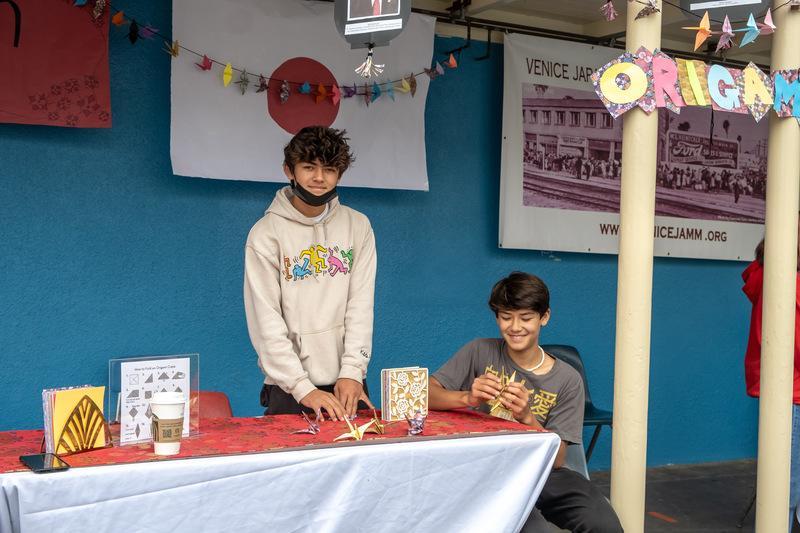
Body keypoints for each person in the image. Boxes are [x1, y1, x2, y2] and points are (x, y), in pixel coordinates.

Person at [429, 272, 623, 533]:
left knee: (604, 525)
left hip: (541, 470)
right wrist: (467, 397)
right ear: (497, 317)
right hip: (486, 467)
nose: (515, 327)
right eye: (506, 317)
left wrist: (527, 418)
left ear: (544, 317)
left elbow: (557, 459)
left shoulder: (567, 379)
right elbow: (424, 394)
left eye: (526, 317)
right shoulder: (480, 350)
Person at [244, 126, 377, 422]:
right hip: (290, 388)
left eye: (329, 169)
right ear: (289, 170)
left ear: (339, 175)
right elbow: (266, 321)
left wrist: (353, 371)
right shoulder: (265, 234)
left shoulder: (358, 226)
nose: (319, 177)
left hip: (348, 383)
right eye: (308, 167)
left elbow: (361, 305)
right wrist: (302, 387)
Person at [742, 225, 800, 531]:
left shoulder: (767, 276)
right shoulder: (789, 284)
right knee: (788, 485)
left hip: (783, 388)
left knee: (785, 480)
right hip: (794, 391)